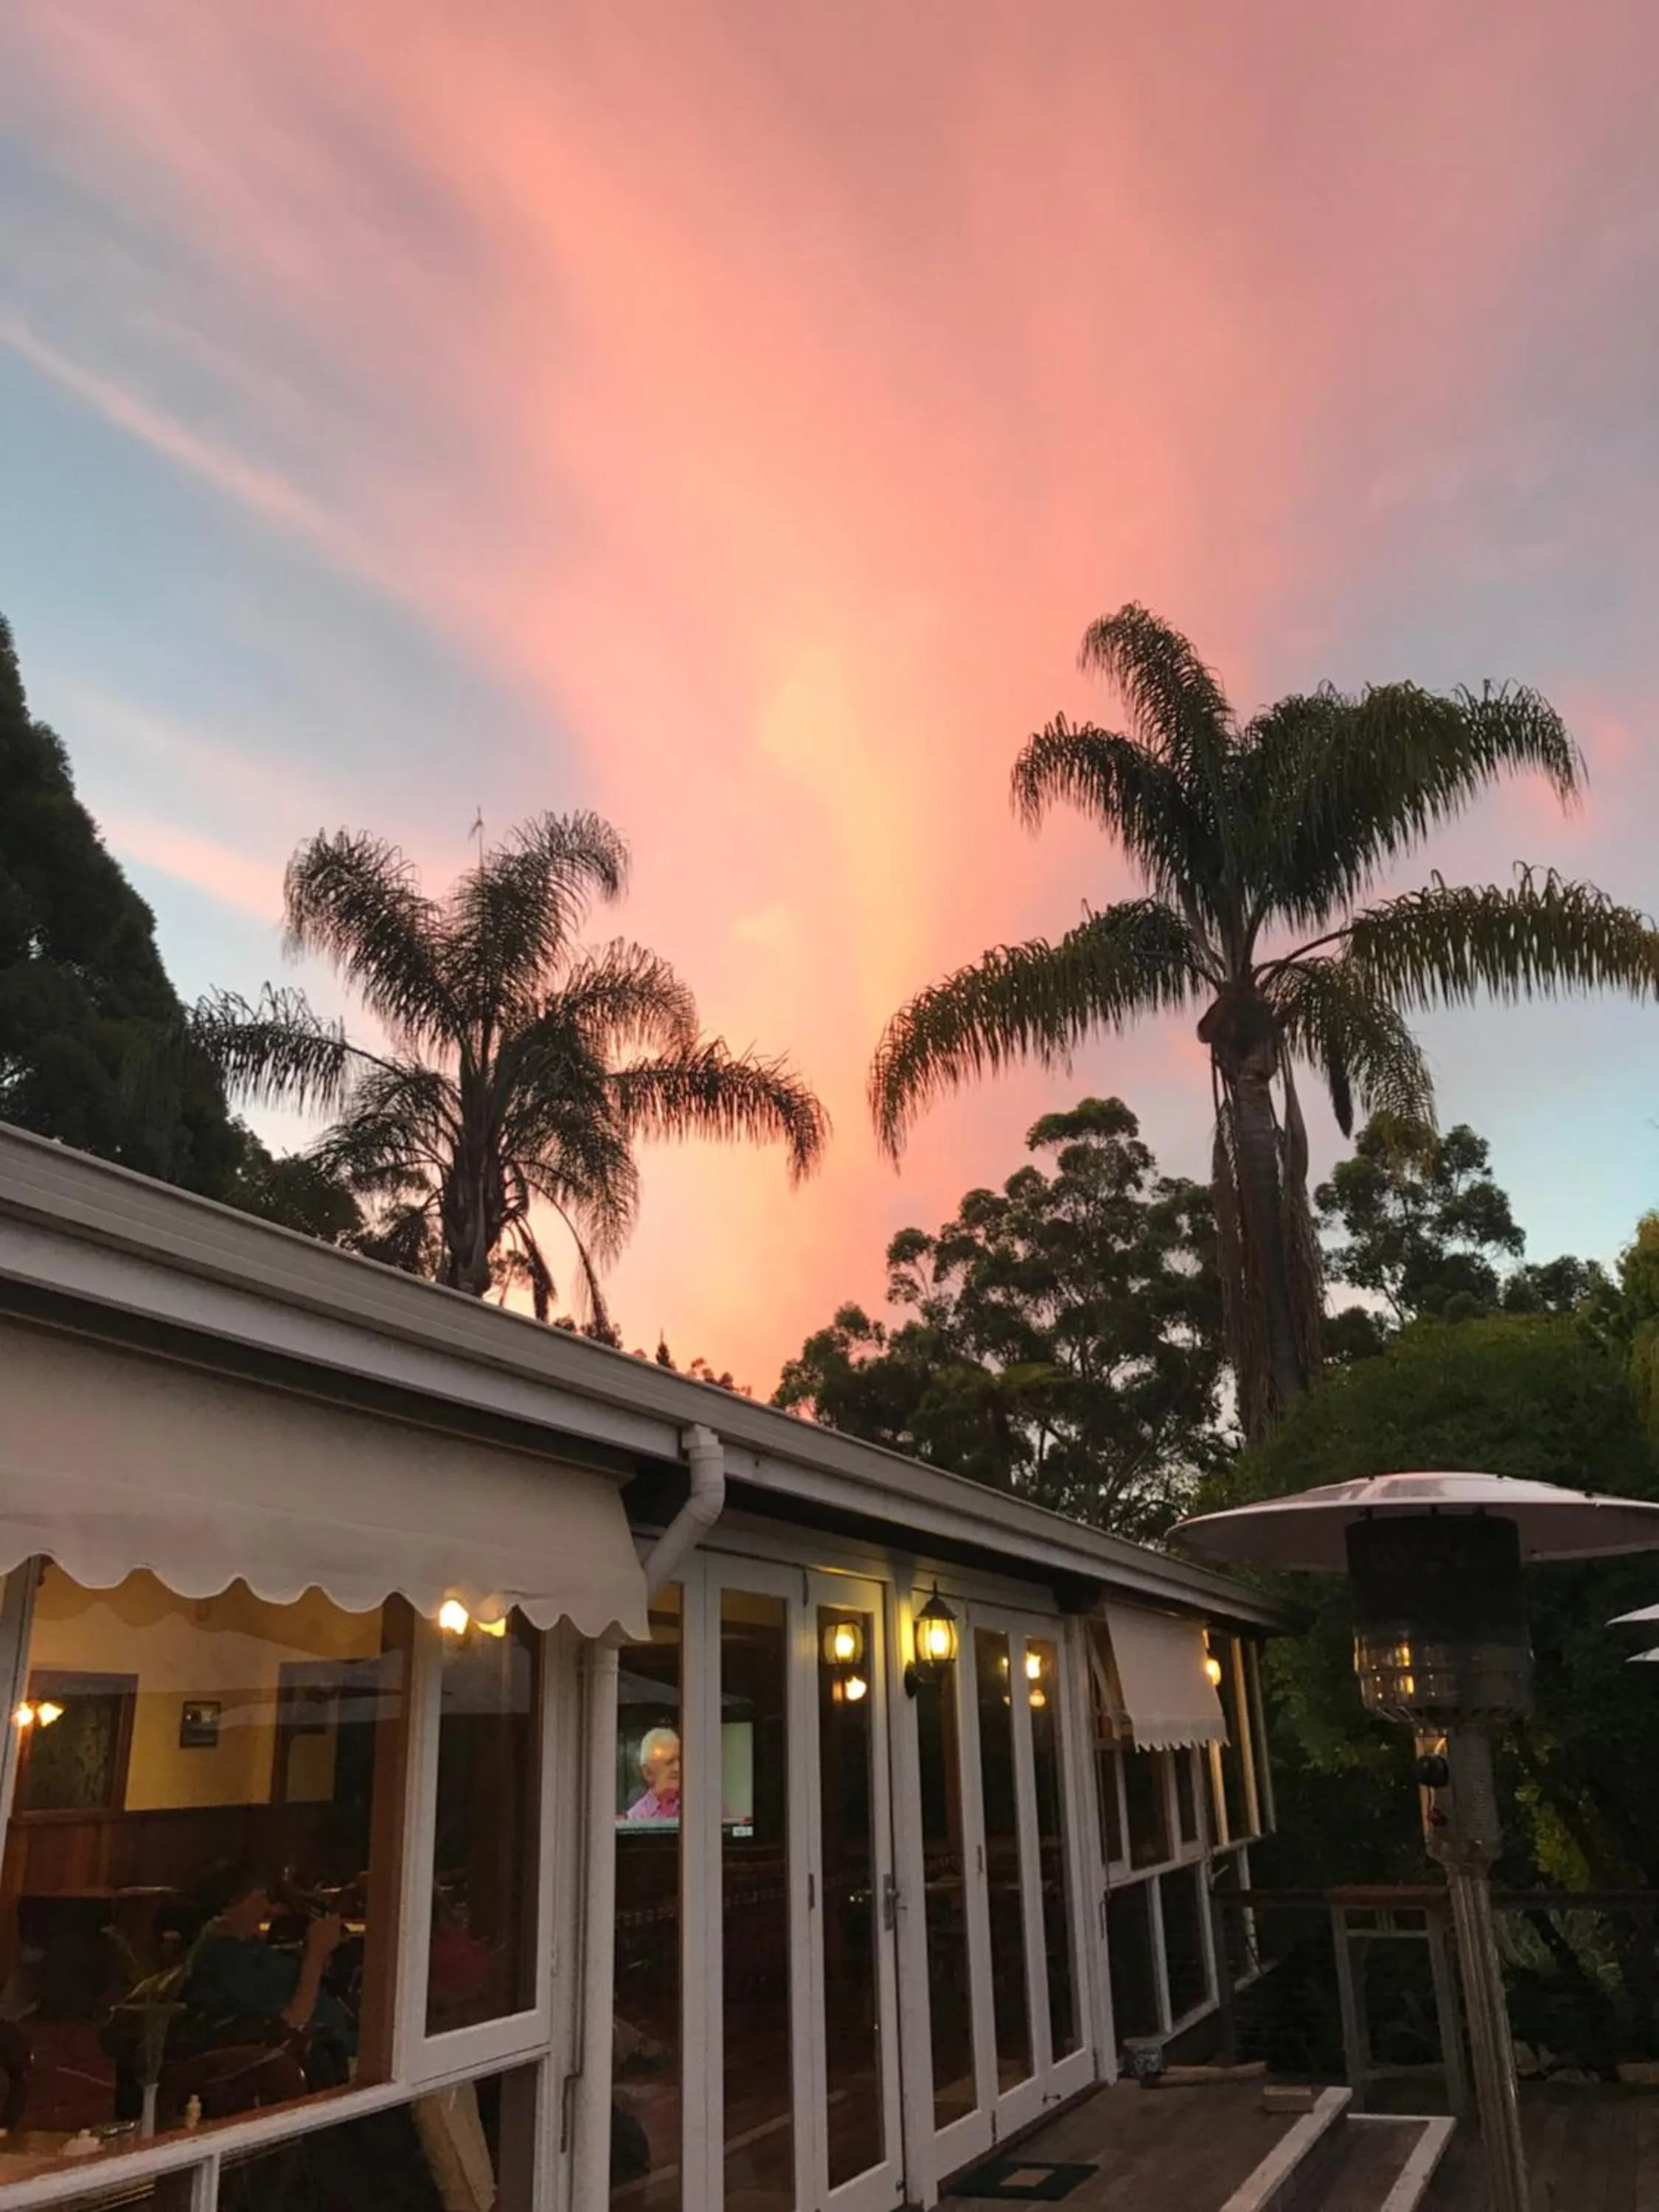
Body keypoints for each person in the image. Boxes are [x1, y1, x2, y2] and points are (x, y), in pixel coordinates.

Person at [179, 1865, 355, 2085]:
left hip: (339, 2053)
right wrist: (315, 1957)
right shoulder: (225, 1957)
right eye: (259, 1898)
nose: (268, 1908)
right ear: (230, 1904)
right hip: (317, 2070)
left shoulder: (247, 1946)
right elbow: (290, 2024)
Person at [625, 1728, 681, 1823]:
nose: (678, 1768)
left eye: (680, 1760)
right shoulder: (637, 1817)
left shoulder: (697, 1806)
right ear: (648, 1772)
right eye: (669, 1762)